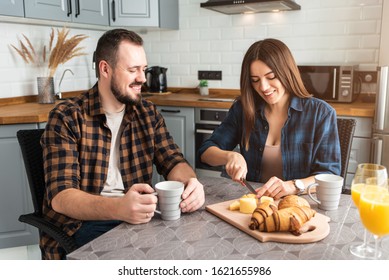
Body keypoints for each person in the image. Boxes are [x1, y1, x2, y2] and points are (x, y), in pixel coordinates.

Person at [41, 29, 205, 260]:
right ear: (105, 69)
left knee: (192, 246)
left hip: (138, 219)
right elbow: (61, 197)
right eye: (133, 70)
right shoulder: (67, 116)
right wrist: (119, 207)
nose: (142, 78)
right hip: (82, 225)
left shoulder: (146, 112)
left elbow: (173, 160)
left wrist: (191, 182)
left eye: (144, 69)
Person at [199, 38, 341, 200]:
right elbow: (205, 152)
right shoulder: (243, 109)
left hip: (298, 206)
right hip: (253, 204)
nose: (264, 87)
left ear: (286, 72)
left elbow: (330, 175)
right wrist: (230, 156)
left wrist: (294, 185)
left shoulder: (321, 113)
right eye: (255, 80)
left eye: (271, 76)